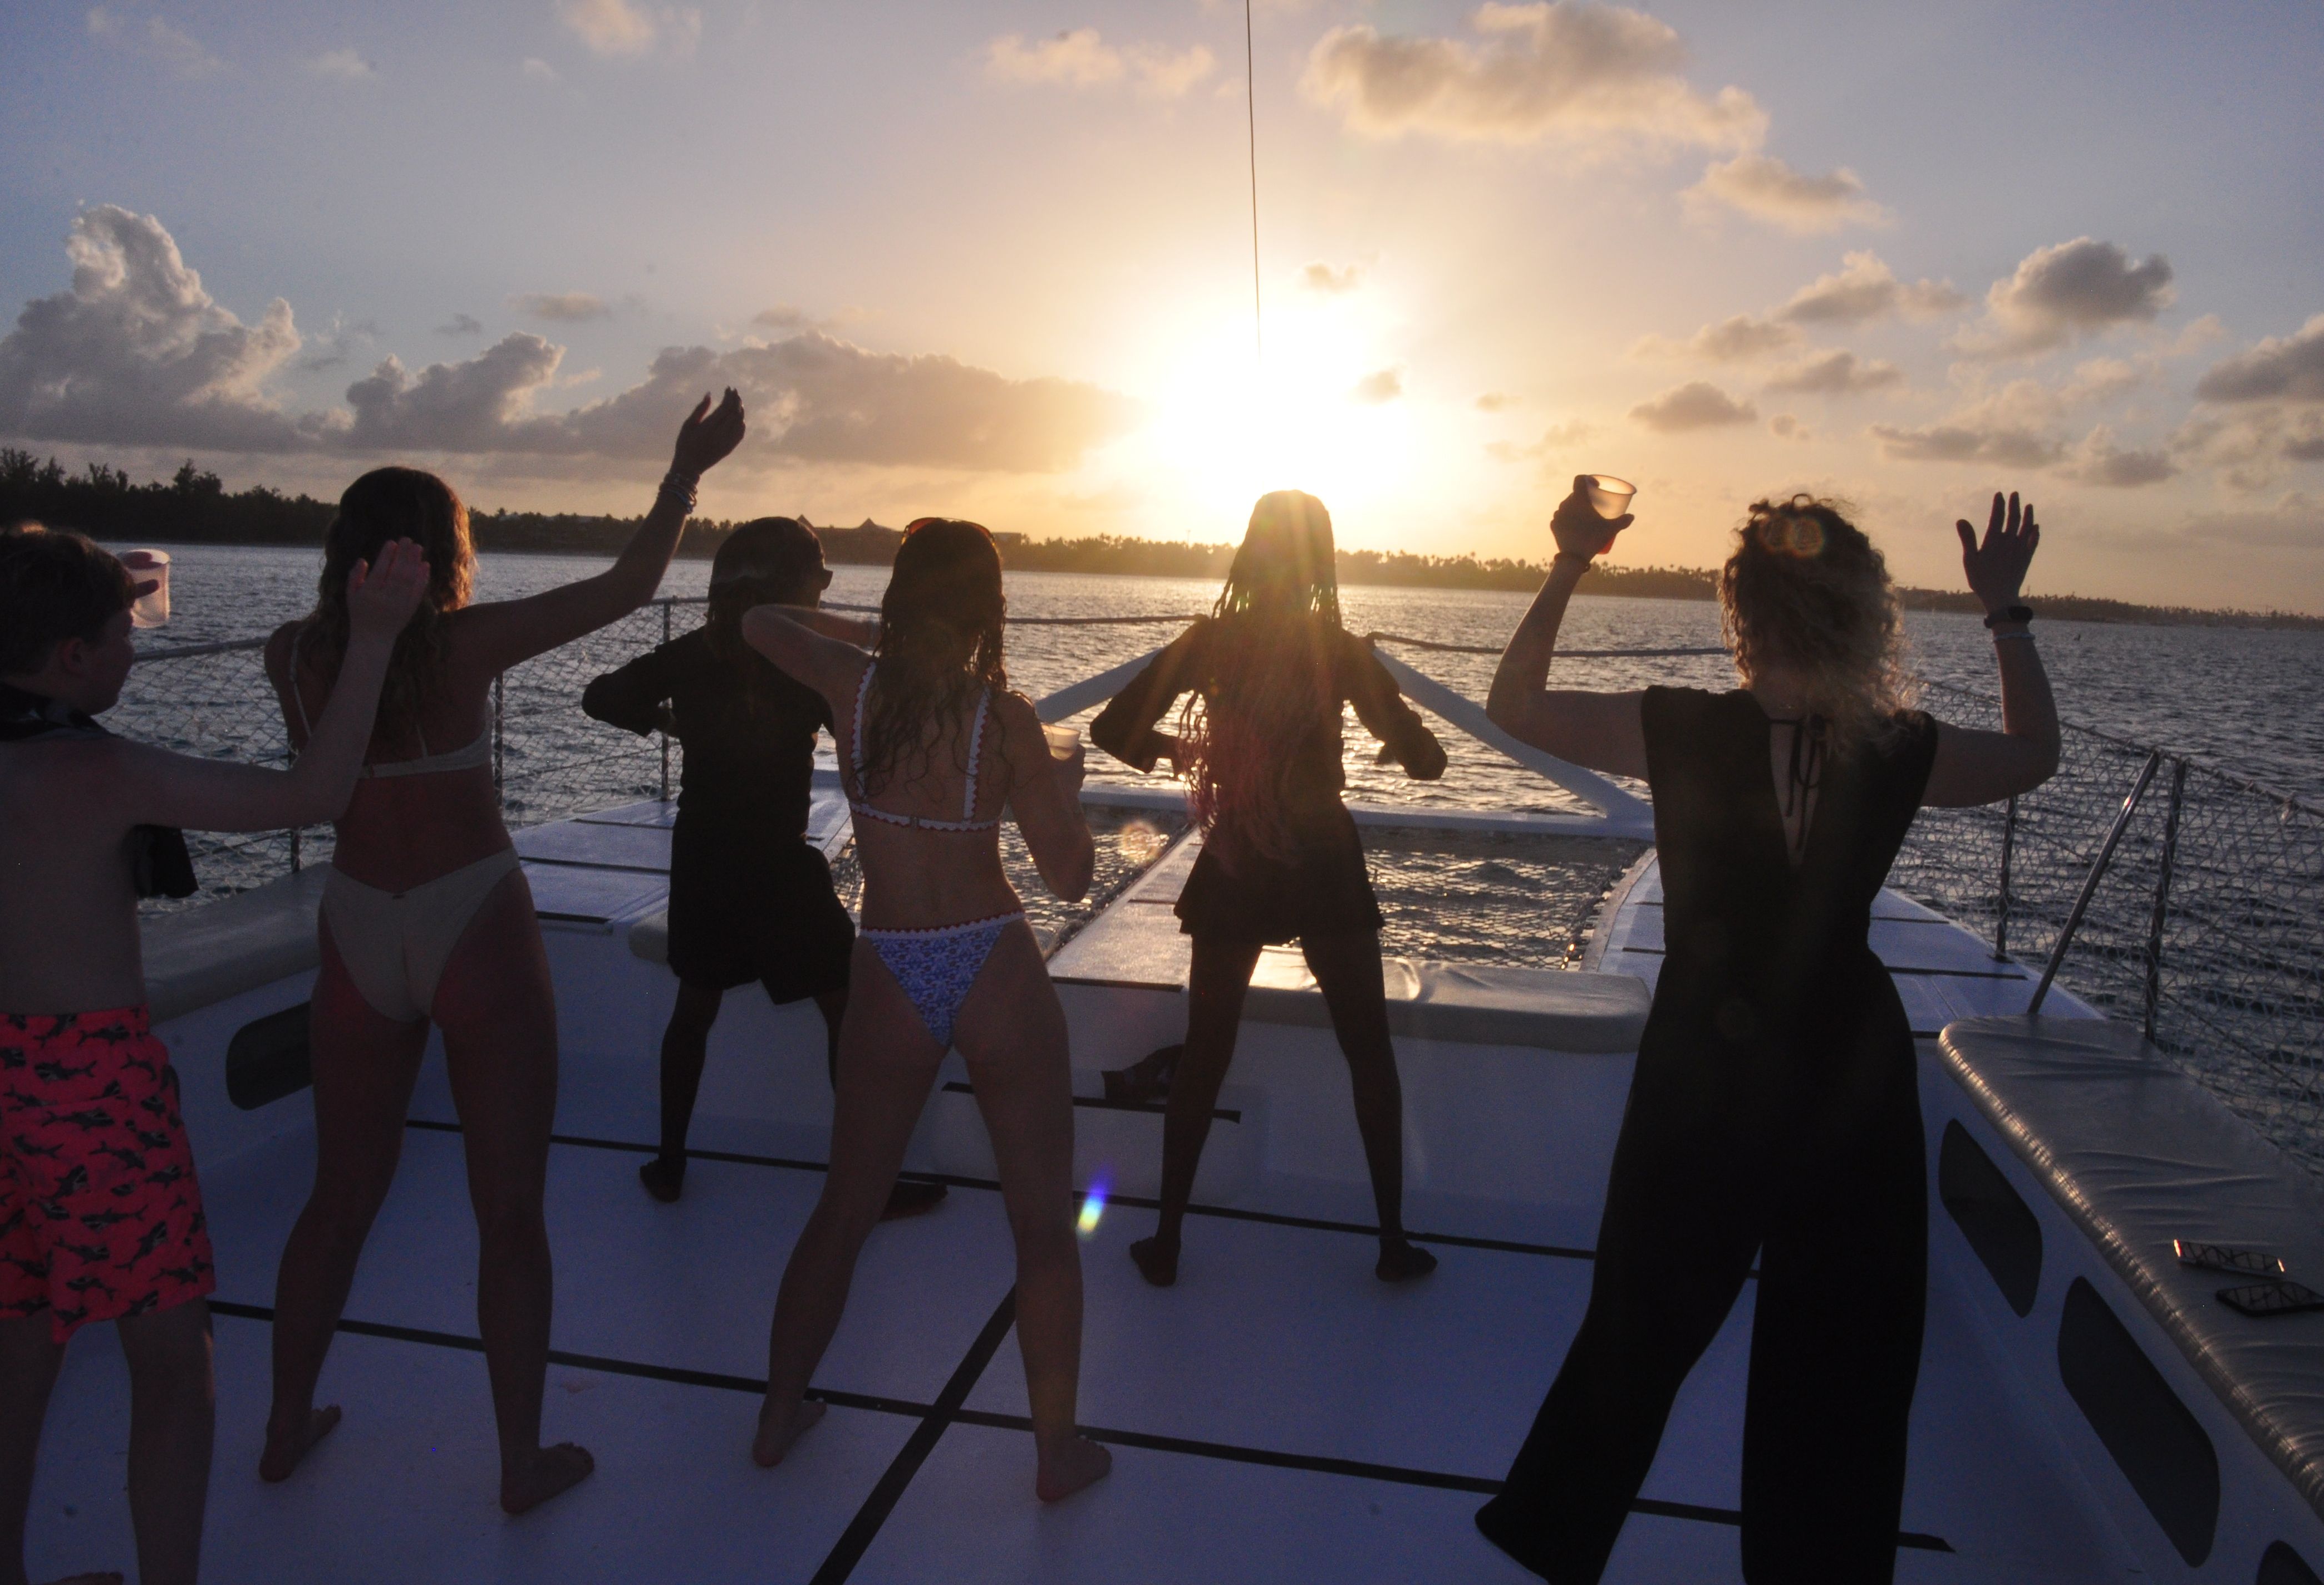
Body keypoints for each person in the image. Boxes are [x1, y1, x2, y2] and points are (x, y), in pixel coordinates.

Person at [1472, 485, 2059, 1583]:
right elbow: (2033, 753)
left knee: (1638, 1313)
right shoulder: (1895, 746)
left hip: (1705, 1056)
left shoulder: (1679, 726)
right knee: (1840, 1349)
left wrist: (1568, 564)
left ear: (1741, 609)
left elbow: (1512, 702)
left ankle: (1556, 1530)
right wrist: (2002, 612)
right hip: (1847, 1062)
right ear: (1858, 613)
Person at [256, 392, 746, 1515]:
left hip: (356, 920)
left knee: (338, 1196)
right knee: (507, 1209)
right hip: (469, 914)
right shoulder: (468, 645)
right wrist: (682, 474)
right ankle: (518, 1462)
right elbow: (627, 590)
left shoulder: (288, 657)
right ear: (439, 554)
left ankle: (284, 1425)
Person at [0, 524, 426, 1585]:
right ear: (74, 657)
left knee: (17, 1343)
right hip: (88, 1086)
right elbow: (314, 795)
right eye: (123, 632)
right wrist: (372, 640)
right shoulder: (100, 772)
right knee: (171, 1362)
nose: (135, 650)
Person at [739, 518, 1111, 1502]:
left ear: (901, 597)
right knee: (1040, 1224)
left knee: (844, 1208)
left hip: (889, 963)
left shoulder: (851, 685)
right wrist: (1066, 793)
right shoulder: (1006, 719)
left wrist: (876, 636)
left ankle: (779, 1413)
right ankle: (1054, 1452)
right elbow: (1070, 880)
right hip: (989, 957)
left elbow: (758, 621)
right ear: (990, 608)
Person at [1089, 490, 1448, 1288]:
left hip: (1239, 855)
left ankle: (1168, 1242)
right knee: (1368, 1052)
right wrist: (1408, 750)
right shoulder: (1340, 649)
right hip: (1323, 857)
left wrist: (1182, 758)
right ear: (1323, 562)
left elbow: (1110, 729)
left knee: (1207, 1053)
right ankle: (1391, 1242)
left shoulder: (1212, 642)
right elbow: (1428, 761)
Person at [579, 517, 944, 1218]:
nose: (826, 585)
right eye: (819, 575)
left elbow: (601, 696)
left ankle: (670, 1163)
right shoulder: (807, 668)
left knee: (694, 1010)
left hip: (707, 858)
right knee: (844, 1005)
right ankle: (867, 1180)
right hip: (778, 865)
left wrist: (669, 723)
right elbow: (868, 748)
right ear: (788, 589)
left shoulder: (689, 656)